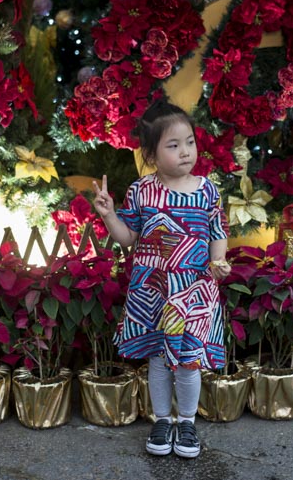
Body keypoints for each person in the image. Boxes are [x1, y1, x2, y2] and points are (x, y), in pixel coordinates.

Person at [92, 100, 232, 460]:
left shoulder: (207, 190)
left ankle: (186, 421)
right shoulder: (142, 191)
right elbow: (128, 239)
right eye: (173, 145)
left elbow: (217, 230)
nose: (185, 152)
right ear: (152, 154)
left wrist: (219, 261)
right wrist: (109, 215)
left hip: (193, 291)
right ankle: (162, 419)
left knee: (188, 360)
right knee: (158, 358)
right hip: (152, 291)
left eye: (189, 142)